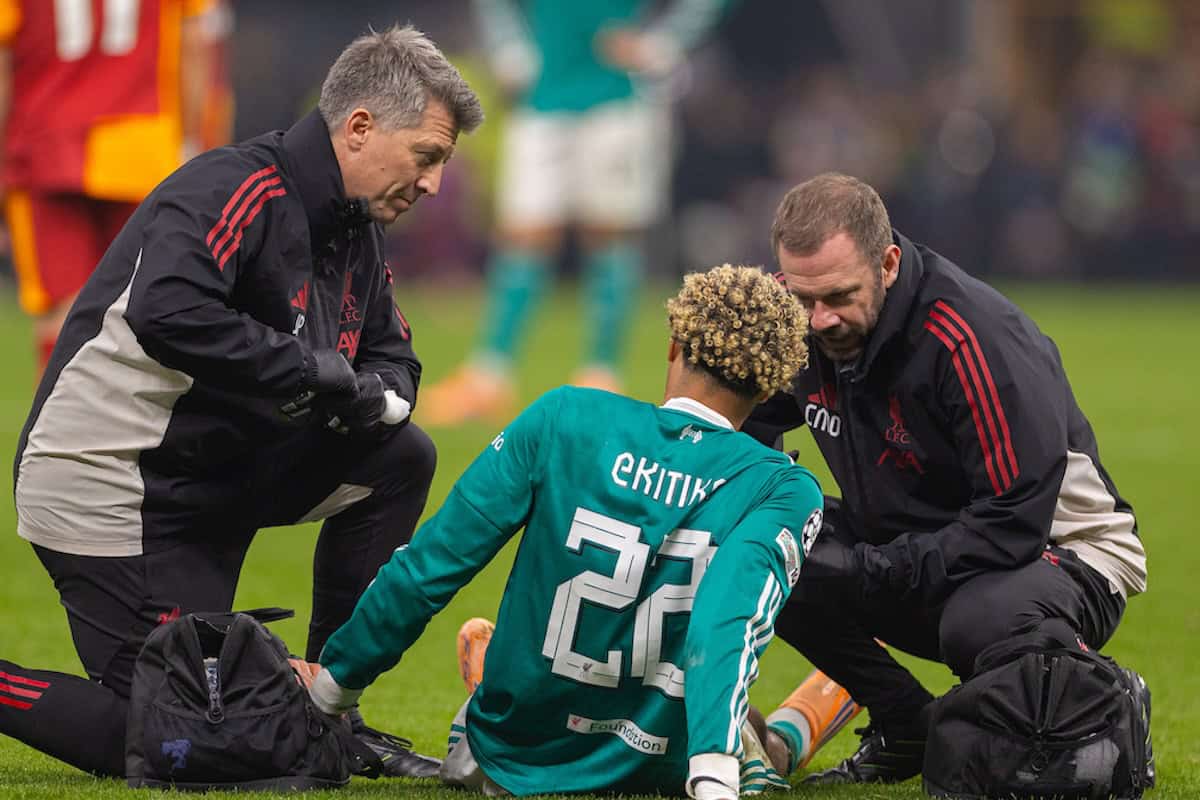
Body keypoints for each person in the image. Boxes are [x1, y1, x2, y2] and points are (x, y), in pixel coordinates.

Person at [1, 24, 483, 779]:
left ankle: (333, 702)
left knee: (399, 455)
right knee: (191, 736)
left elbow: (394, 355)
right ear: (359, 128)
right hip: (109, 481)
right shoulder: (235, 186)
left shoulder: (355, 225)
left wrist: (380, 397)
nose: (431, 184)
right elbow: (167, 311)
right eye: (427, 158)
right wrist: (312, 372)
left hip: (208, 470)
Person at [307, 264, 823, 798]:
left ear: (674, 345)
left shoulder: (564, 414)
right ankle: (783, 733)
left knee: (477, 717)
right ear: (768, 388)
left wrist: (330, 692)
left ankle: (509, 676)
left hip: (514, 759)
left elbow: (430, 564)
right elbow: (726, 623)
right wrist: (715, 775)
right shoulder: (783, 488)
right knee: (742, 726)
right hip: (667, 771)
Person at [743, 172, 1148, 784]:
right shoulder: (804, 322)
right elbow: (737, 431)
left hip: (1063, 551)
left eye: (838, 297)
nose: (819, 321)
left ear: (887, 263)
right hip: (922, 542)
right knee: (768, 550)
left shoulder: (968, 336)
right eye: (802, 300)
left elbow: (1011, 520)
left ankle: (1094, 700)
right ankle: (908, 725)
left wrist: (867, 570)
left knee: (978, 620)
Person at [418, 0, 732, 426]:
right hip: (543, 94)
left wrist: (665, 40)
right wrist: (508, 43)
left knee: (609, 235)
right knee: (524, 235)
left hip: (615, 97)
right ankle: (489, 378)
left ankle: (601, 376)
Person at [0, 0, 217, 373]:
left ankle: (60, 429)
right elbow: (195, 41)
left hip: (44, 144)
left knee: (62, 314)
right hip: (140, 145)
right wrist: (191, 141)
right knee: (146, 309)